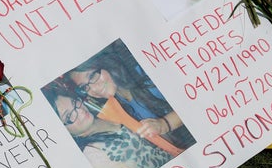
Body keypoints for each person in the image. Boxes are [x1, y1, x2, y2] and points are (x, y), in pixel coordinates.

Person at [46, 88, 173, 168]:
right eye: (69, 116)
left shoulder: (108, 112)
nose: (79, 111)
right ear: (64, 132)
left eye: (75, 103)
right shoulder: (94, 156)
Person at [67, 44, 196, 150]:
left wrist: (164, 124)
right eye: (85, 87)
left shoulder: (145, 75)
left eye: (93, 76)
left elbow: (194, 101)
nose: (93, 89)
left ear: (107, 64)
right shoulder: (117, 104)